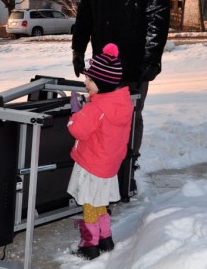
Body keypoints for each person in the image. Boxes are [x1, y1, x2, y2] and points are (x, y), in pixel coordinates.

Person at [72, 0, 170, 197]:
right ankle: (100, 172)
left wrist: (150, 62)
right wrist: (78, 47)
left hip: (133, 65)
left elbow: (158, 20)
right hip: (103, 66)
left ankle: (127, 170)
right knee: (99, 117)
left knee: (128, 117)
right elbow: (86, 11)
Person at [67, 43, 134, 260]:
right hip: (108, 166)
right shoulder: (121, 103)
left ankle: (89, 245)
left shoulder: (96, 109)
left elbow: (79, 131)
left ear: (102, 83)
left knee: (89, 205)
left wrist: (76, 113)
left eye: (90, 80)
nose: (85, 82)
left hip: (91, 165)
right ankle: (105, 238)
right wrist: (91, 103)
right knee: (100, 203)